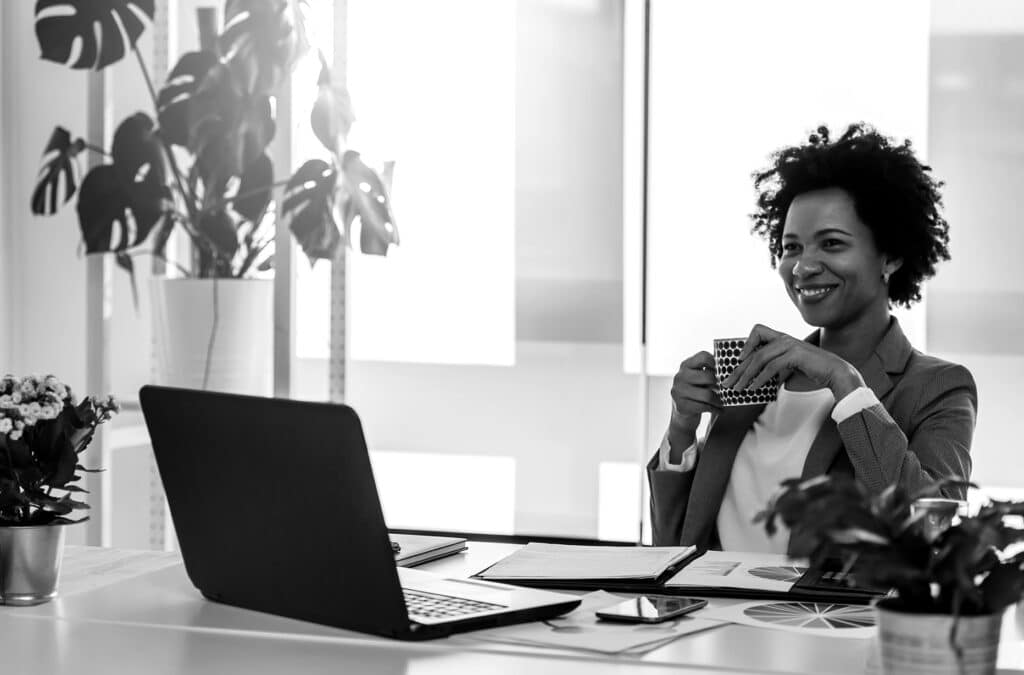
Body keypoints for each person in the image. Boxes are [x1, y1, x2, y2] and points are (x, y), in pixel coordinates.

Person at [648, 123, 976, 554]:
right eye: (791, 247)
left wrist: (845, 382)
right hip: (709, 619)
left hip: (821, 622)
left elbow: (926, 537)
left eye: (832, 243)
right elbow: (674, 548)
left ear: (891, 255)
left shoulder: (938, 387)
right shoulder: (755, 376)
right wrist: (681, 431)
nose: (803, 267)